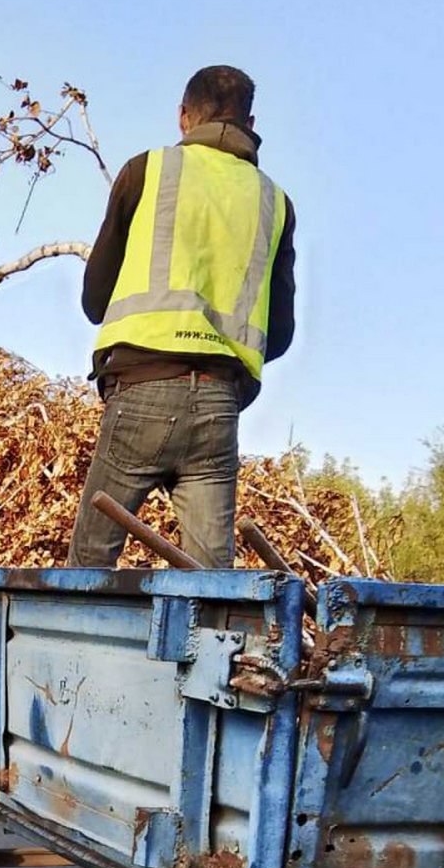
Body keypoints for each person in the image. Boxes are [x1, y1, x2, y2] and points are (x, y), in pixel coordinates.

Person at [67, 65, 296, 571]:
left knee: (87, 568)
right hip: (219, 404)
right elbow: (278, 336)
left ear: (183, 117)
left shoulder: (146, 171)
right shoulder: (274, 202)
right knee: (213, 586)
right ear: (250, 121)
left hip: (140, 391)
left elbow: (94, 301)